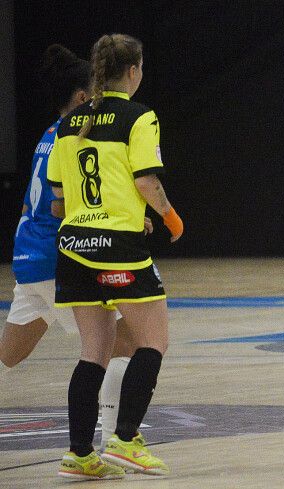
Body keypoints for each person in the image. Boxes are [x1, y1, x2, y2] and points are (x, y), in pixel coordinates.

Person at [47, 33, 183, 480]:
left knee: (94, 351)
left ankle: (80, 454)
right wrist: (167, 215)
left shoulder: (67, 124)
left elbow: (60, 201)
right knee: (153, 341)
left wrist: (118, 213)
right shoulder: (138, 117)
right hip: (118, 250)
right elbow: (146, 181)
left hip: (73, 249)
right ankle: (125, 440)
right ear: (132, 71)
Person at [2, 43, 144, 451]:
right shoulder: (76, 136)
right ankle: (116, 440)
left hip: (29, 256)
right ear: (83, 98)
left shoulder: (50, 134)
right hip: (57, 257)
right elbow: (70, 205)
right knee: (124, 341)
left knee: (9, 355)